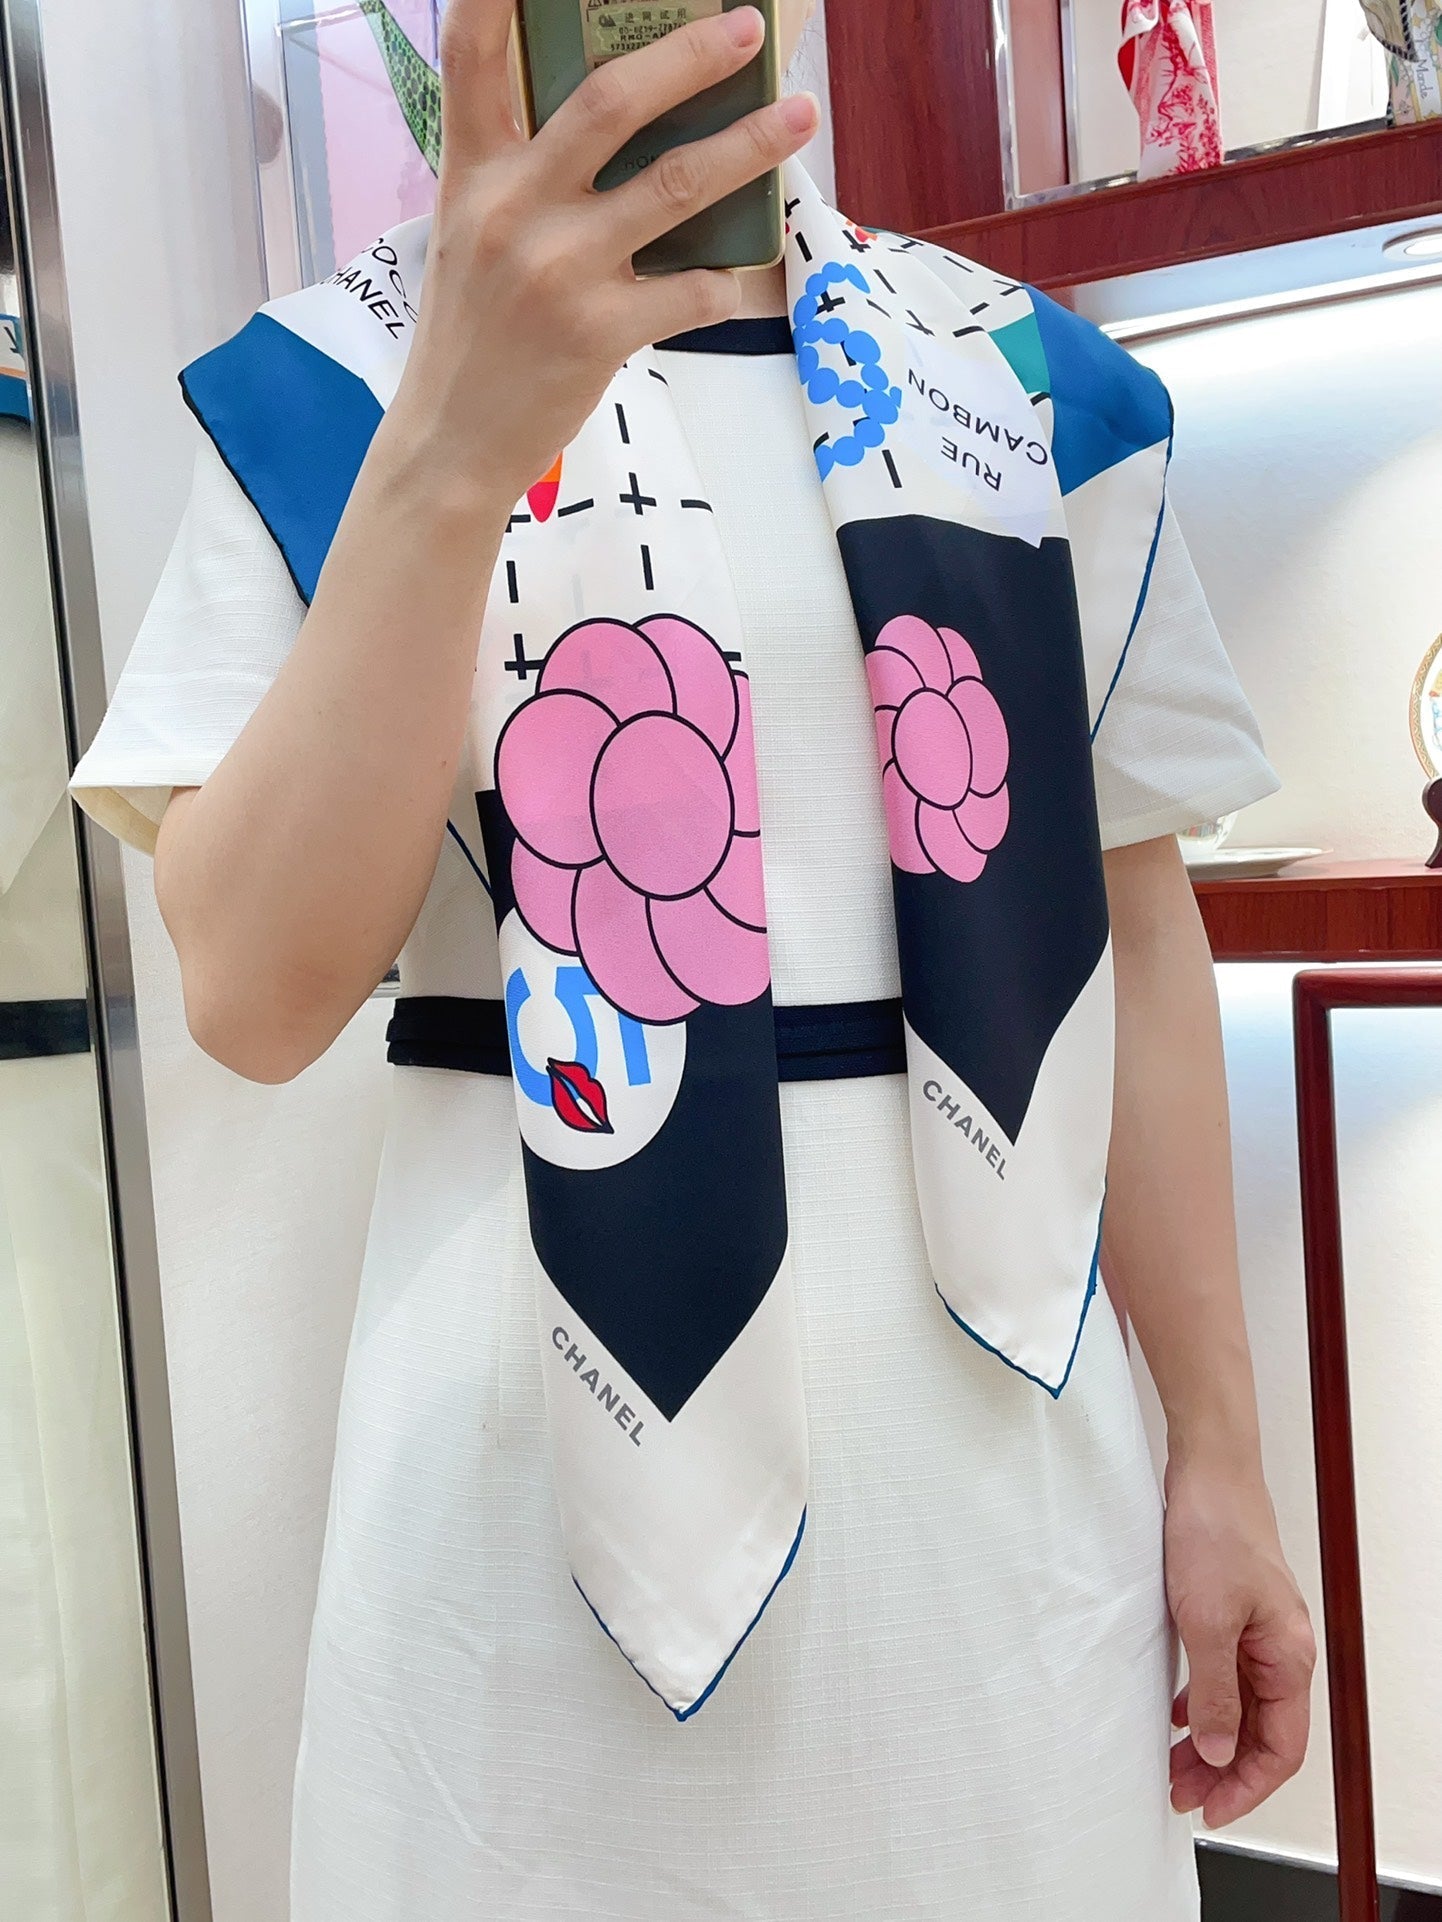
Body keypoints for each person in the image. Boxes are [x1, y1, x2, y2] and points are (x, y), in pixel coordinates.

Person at [71, 2, 1317, 1916]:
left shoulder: (1023, 383)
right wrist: (451, 448)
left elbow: (1130, 933)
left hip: (1001, 1519)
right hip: (518, 1536)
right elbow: (249, 993)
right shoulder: (334, 383)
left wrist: (1221, 1452)